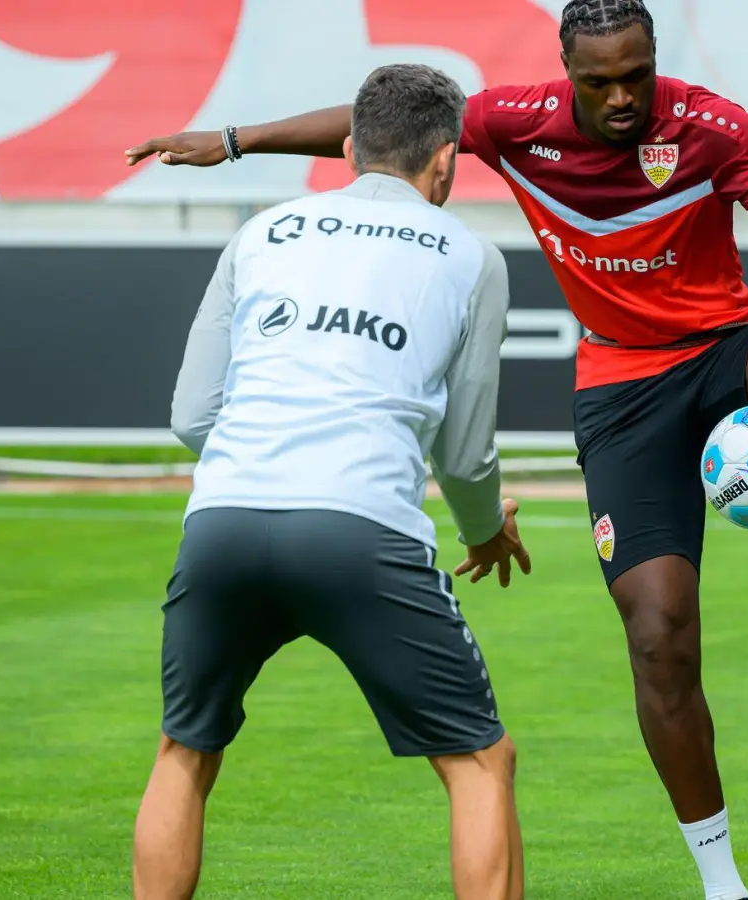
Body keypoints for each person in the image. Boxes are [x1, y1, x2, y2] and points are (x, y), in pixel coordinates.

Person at [126, 3, 748, 897]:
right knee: (659, 638)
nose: (621, 97)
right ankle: (724, 886)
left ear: (653, 60)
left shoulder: (714, 126)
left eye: (635, 74)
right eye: (598, 81)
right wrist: (234, 139)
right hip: (620, 391)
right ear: (568, 71)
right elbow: (381, 132)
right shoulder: (517, 123)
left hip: (720, 349)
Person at [132, 64, 530, 900]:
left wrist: (260, 458)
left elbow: (191, 416)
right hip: (360, 531)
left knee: (185, 751)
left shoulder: (263, 231)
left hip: (224, 520)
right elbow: (463, 452)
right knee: (480, 762)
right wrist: (486, 528)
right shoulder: (473, 256)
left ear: (350, 148)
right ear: (447, 162)